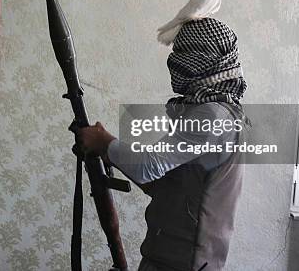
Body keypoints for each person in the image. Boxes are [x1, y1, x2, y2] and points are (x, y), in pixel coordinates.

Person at [77, 18, 249, 271]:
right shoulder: (211, 111)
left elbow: (149, 166)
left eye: (184, 52)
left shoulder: (213, 115)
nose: (176, 61)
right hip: (169, 256)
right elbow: (165, 185)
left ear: (206, 58)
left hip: (183, 262)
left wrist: (105, 141)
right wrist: (110, 153)